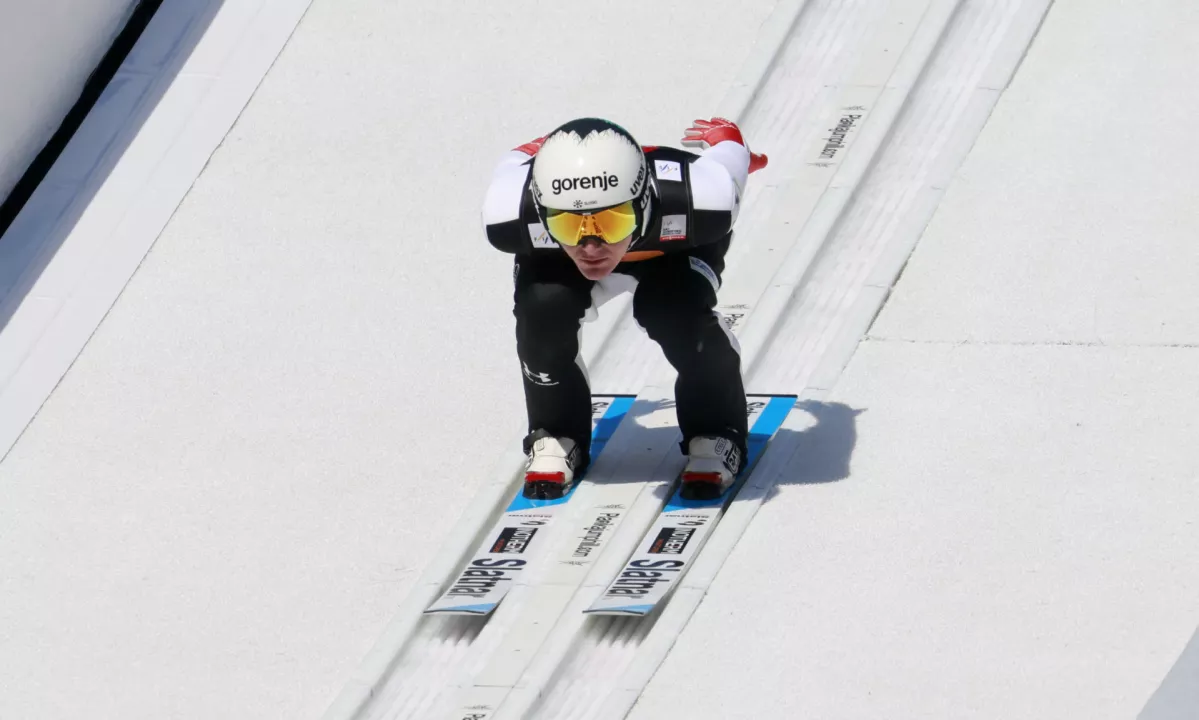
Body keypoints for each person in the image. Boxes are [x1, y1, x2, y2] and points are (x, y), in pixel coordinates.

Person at [482, 116, 767, 500]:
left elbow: (731, 157)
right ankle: (556, 430)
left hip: (674, 253)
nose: (591, 246)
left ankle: (716, 429)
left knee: (673, 311)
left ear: (646, 200)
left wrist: (729, 143)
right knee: (541, 315)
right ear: (540, 210)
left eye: (613, 221)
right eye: (567, 225)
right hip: (560, 260)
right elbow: (514, 163)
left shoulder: (703, 196)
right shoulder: (508, 210)